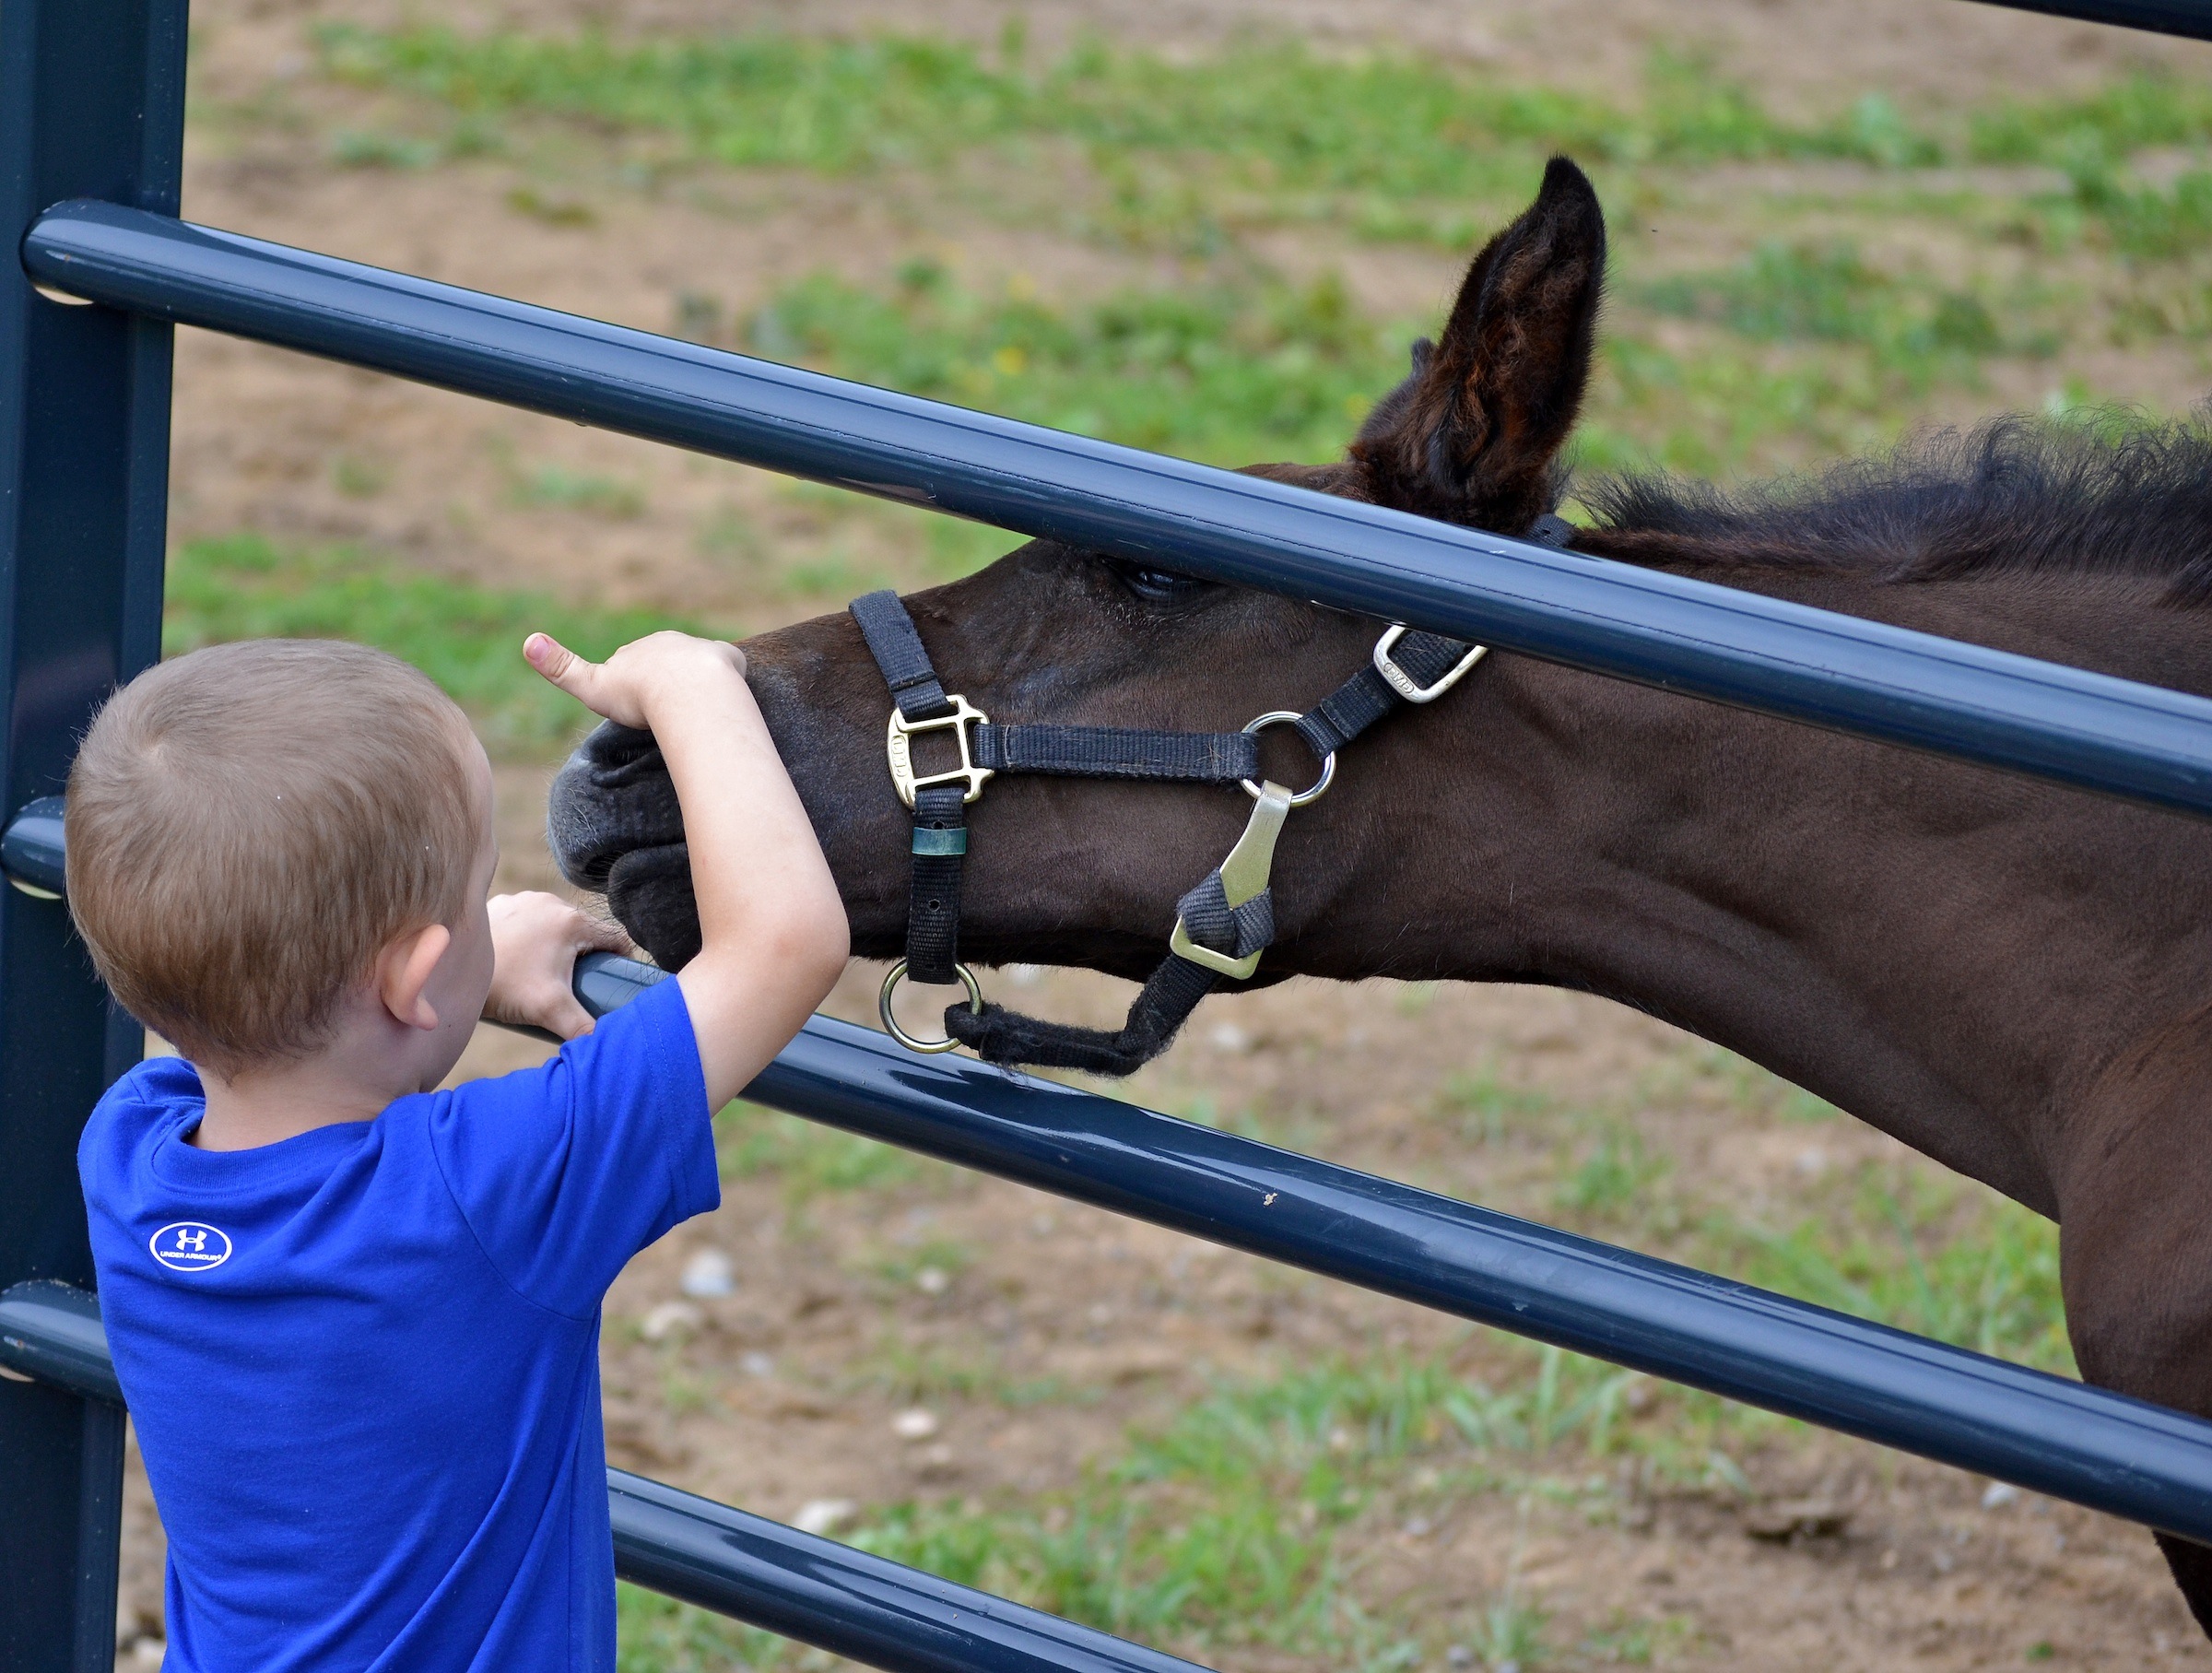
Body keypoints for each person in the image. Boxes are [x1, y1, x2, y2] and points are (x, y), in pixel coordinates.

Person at [70, 629, 847, 1673]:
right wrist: (686, 681)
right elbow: (785, 941)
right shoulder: (485, 1194)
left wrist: (441, 978)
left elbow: (268, 1056)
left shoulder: (126, 1151)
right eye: (479, 890)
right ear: (413, 980)